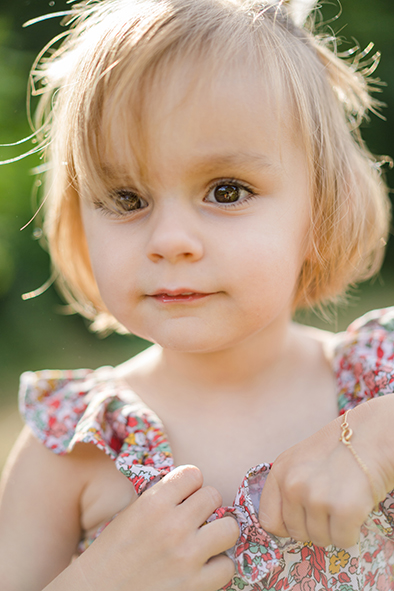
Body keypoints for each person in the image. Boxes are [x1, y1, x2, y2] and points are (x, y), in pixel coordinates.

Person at [0, 0, 393, 589]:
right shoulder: (70, 447)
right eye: (128, 199)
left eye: (226, 191)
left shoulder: (379, 382)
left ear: (319, 212)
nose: (170, 240)